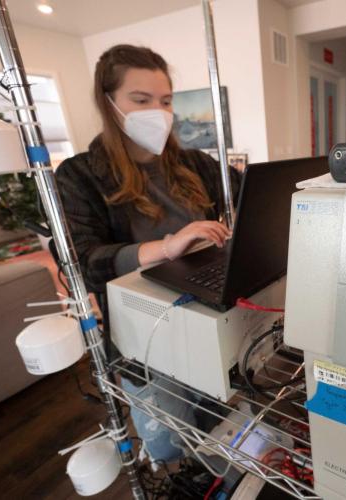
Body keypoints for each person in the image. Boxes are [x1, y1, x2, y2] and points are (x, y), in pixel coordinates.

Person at [56, 44, 240, 463]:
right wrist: (165, 247)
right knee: (170, 443)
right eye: (140, 100)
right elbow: (84, 261)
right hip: (143, 337)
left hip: (206, 312)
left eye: (165, 100)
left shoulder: (197, 164)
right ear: (109, 103)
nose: (157, 111)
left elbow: (254, 198)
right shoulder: (80, 175)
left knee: (219, 421)